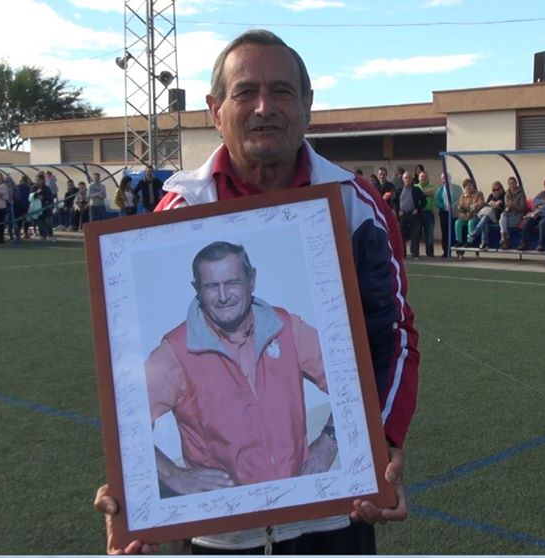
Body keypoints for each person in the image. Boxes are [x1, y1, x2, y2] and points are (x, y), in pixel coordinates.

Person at [94, 29, 418, 556]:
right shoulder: (179, 213)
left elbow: (391, 339)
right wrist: (140, 485)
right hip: (218, 533)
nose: (264, 107)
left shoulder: (357, 207)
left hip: (333, 518)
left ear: (307, 106)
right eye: (245, 92)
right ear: (215, 109)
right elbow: (128, 389)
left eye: (282, 92)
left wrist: (371, 442)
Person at [146, 241, 335, 497]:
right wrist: (171, 474)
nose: (224, 296)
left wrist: (329, 441)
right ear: (197, 290)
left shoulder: (288, 328)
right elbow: (124, 426)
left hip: (297, 499)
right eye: (212, 286)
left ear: (251, 280)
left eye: (232, 282)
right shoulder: (175, 352)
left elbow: (351, 384)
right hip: (228, 519)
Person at [519, 178, 545, 251]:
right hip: (539, 215)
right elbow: (535, 201)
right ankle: (523, 243)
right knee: (528, 222)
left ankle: (541, 245)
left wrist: (541, 206)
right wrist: (544, 201)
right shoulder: (542, 194)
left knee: (543, 223)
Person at [392, 171, 426, 259]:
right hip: (403, 215)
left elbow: (424, 201)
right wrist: (398, 210)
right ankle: (402, 254)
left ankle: (415, 254)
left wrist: (417, 209)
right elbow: (394, 202)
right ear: (403, 179)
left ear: (412, 179)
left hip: (413, 215)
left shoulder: (416, 190)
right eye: (406, 178)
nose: (408, 179)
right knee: (401, 235)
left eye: (409, 178)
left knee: (415, 235)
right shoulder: (399, 190)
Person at [468, 181, 505, 249]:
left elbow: (505, 210)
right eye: (494, 190)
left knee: (485, 218)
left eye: (498, 189)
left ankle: (475, 232)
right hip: (489, 216)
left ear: (501, 188)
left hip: (497, 217)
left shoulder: (504, 196)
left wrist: (498, 206)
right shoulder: (491, 195)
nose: (496, 191)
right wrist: (489, 204)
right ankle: (484, 243)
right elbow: (486, 205)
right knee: (485, 221)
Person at [453, 179, 484, 248]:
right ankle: (459, 241)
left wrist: (470, 208)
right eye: (466, 186)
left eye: (469, 185)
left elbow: (480, 204)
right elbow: (460, 206)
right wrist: (463, 209)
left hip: (475, 216)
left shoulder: (479, 194)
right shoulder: (463, 196)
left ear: (473, 185)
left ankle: (470, 241)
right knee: (458, 222)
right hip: (465, 215)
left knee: (471, 222)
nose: (468, 187)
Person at [434, 173, 458, 256]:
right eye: (443, 178)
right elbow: (437, 201)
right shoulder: (439, 189)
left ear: (450, 178)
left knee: (455, 231)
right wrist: (444, 206)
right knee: (445, 232)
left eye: (446, 178)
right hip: (444, 213)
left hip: (455, 213)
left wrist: (453, 206)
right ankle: (446, 251)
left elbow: (461, 198)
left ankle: (459, 251)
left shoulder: (457, 188)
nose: (444, 180)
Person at [498, 176, 526, 249]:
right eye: (510, 183)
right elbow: (505, 207)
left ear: (516, 183)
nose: (512, 185)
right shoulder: (507, 194)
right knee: (503, 216)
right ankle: (505, 239)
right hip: (509, 214)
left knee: (503, 223)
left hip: (518, 215)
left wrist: (513, 206)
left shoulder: (521, 194)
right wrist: (507, 208)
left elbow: (523, 208)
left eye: (513, 183)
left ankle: (504, 239)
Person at [416, 170, 436, 257]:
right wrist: (423, 194)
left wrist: (419, 193)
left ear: (427, 178)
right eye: (421, 176)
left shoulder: (431, 187)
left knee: (429, 234)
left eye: (425, 176)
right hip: (417, 213)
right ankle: (415, 253)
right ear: (418, 178)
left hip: (428, 213)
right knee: (416, 233)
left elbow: (430, 192)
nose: (423, 178)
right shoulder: (415, 186)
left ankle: (430, 253)